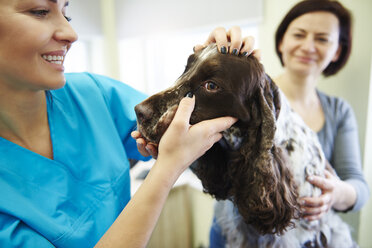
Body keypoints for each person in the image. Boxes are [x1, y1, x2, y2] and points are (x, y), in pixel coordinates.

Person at [0, 1, 253, 247]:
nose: (71, 33)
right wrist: (167, 167)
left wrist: (223, 74)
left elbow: (187, 132)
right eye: (40, 11)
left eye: (67, 14)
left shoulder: (93, 96)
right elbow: (175, 152)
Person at [207, 0, 370, 246]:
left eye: (323, 39)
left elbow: (358, 186)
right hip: (237, 233)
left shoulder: (338, 112)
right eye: (299, 34)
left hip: (305, 237)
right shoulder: (245, 97)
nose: (308, 46)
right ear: (282, 41)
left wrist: (336, 193)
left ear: (337, 51)